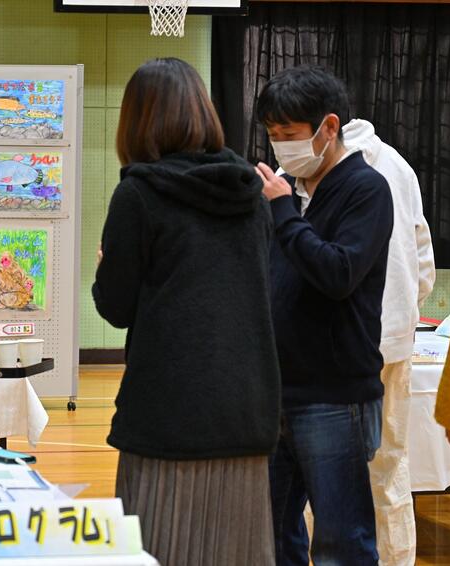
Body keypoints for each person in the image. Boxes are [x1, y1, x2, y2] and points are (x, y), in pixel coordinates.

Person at [92, 57, 280, 566]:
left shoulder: (138, 194)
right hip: (247, 406)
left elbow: (116, 306)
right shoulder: (252, 194)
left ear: (136, 121)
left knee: (157, 550)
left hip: (169, 411)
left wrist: (106, 268)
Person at [254, 65, 394, 565]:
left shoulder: (366, 188)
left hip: (335, 397)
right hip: (278, 393)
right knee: (270, 537)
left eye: (289, 133)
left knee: (341, 543)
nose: (280, 146)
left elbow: (338, 273)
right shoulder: (292, 190)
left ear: (329, 127)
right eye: (273, 135)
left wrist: (284, 212)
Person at [283, 119, 436, 566]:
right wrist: (404, 313)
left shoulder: (312, 172)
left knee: (319, 473)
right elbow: (423, 258)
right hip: (394, 342)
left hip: (334, 348)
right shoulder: (399, 165)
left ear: (326, 130)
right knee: (390, 467)